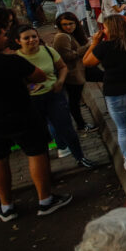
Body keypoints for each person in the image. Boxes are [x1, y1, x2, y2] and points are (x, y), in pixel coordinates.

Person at [0, 17, 73, 221]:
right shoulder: (11, 61)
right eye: (4, 35)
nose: (7, 38)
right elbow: (39, 76)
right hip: (20, 114)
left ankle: (6, 206)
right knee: (37, 153)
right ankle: (45, 200)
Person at [17, 25, 94, 166]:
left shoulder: (48, 51)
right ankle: (45, 168)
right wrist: (30, 86)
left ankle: (80, 157)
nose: (31, 40)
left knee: (66, 127)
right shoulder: (16, 58)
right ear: (18, 41)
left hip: (54, 95)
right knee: (39, 135)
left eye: (34, 36)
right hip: (31, 101)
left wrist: (60, 81)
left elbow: (62, 67)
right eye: (26, 38)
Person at [83, 15, 126, 175]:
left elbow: (87, 62)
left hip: (114, 92)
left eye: (105, 27)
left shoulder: (104, 46)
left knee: (123, 129)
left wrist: (94, 43)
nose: (103, 30)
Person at [52, 11, 95, 133]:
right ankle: (81, 125)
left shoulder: (72, 34)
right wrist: (87, 47)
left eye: (71, 23)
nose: (68, 27)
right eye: (65, 24)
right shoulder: (61, 37)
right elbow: (66, 56)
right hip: (72, 74)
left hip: (80, 70)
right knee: (74, 101)